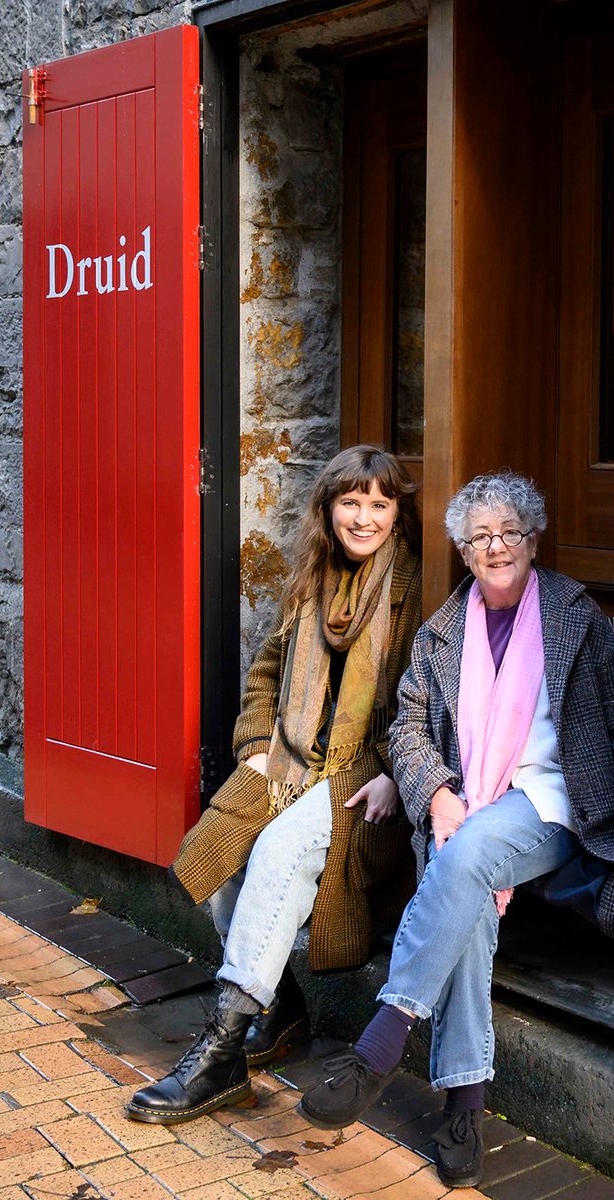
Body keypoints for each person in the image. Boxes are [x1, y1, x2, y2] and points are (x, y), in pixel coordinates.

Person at [297, 471, 614, 1187]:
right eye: (480, 536)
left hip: (553, 802)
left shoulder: (574, 615)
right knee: (464, 872)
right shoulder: (441, 633)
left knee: (466, 858)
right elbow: (406, 730)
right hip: (469, 807)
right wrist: (432, 792)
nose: (496, 547)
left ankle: (379, 1044)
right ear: (463, 550)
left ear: (532, 538)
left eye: (509, 532)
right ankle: (466, 1103)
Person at [127, 445, 423, 1126]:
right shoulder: (312, 581)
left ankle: (222, 1053)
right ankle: (280, 1006)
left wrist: (389, 774)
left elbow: (426, 701)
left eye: (380, 503)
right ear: (329, 508)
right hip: (291, 760)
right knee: (225, 849)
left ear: (397, 513)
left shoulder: (415, 589)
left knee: (280, 848)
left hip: (362, 780)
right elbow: (264, 674)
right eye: (351, 501)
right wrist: (257, 748)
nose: (364, 516)